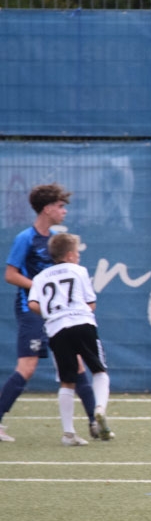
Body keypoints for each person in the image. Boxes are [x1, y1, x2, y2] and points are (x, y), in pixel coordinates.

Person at [0, 183, 100, 443]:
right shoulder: (26, 238)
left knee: (76, 363)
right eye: (59, 206)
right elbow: (10, 274)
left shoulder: (57, 240)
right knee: (28, 366)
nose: (64, 211)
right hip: (32, 310)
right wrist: (40, 289)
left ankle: (95, 422)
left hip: (59, 315)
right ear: (47, 209)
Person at [27, 233, 113, 445]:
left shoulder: (40, 277)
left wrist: (52, 314)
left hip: (57, 329)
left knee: (67, 381)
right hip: (82, 323)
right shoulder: (78, 270)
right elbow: (91, 303)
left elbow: (32, 303)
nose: (78, 256)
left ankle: (68, 433)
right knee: (99, 371)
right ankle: (99, 409)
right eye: (77, 253)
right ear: (69, 255)